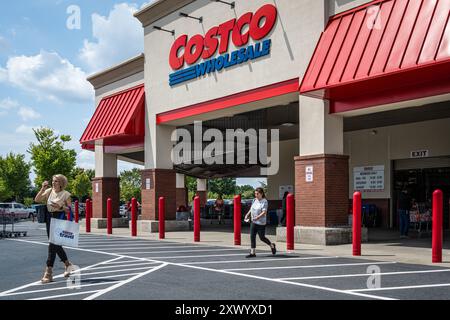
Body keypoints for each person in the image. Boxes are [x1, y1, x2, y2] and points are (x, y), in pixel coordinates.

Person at [35, 174, 74, 284]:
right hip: (49, 218)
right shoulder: (49, 191)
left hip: (59, 217)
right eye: (53, 181)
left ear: (61, 183)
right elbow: (37, 199)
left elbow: (69, 211)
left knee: (52, 244)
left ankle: (48, 272)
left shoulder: (66, 194)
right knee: (55, 244)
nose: (53, 183)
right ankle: (68, 265)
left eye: (56, 181)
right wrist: (43, 188)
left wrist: (60, 207)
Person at [244, 188, 276, 258]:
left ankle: (272, 245)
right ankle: (253, 252)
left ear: (261, 194)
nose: (256, 195)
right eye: (255, 194)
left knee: (262, 237)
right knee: (252, 236)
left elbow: (264, 212)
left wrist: (257, 217)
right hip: (253, 221)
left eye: (257, 194)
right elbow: (251, 209)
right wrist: (247, 214)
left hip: (261, 222)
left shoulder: (264, 201)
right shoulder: (254, 200)